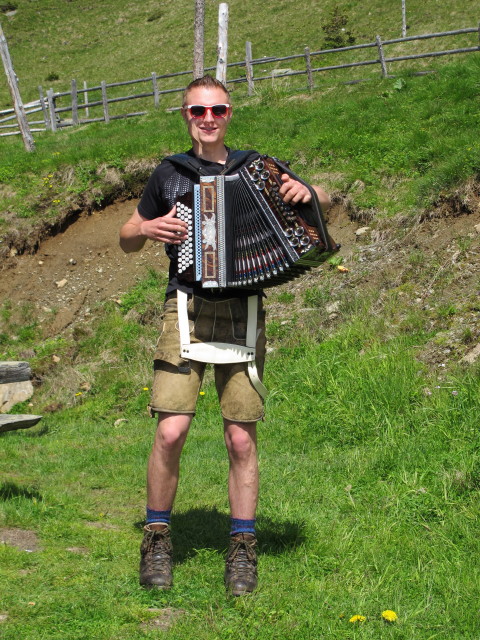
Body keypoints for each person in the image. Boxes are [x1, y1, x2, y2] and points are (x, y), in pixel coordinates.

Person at [119, 74, 330, 596]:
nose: (208, 119)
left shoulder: (257, 167)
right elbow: (125, 236)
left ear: (229, 113)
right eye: (197, 111)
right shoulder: (169, 174)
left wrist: (309, 190)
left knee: (240, 435)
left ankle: (242, 549)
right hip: (185, 305)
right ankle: (157, 537)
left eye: (218, 110)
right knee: (171, 430)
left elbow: (321, 197)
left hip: (245, 308)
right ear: (186, 116)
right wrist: (145, 230)